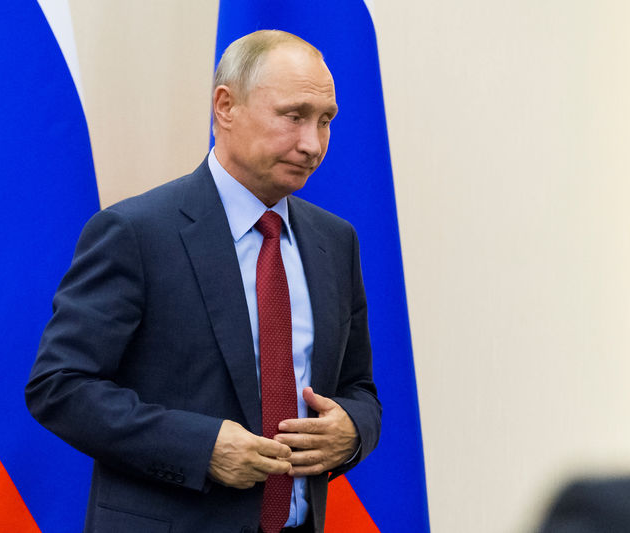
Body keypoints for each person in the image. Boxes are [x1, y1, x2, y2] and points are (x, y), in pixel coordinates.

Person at [26, 30, 381, 533]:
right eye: (294, 115)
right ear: (225, 106)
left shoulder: (335, 241)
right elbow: (58, 387)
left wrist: (352, 430)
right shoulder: (136, 233)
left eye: (325, 121)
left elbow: (358, 388)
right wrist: (200, 448)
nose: (312, 144)